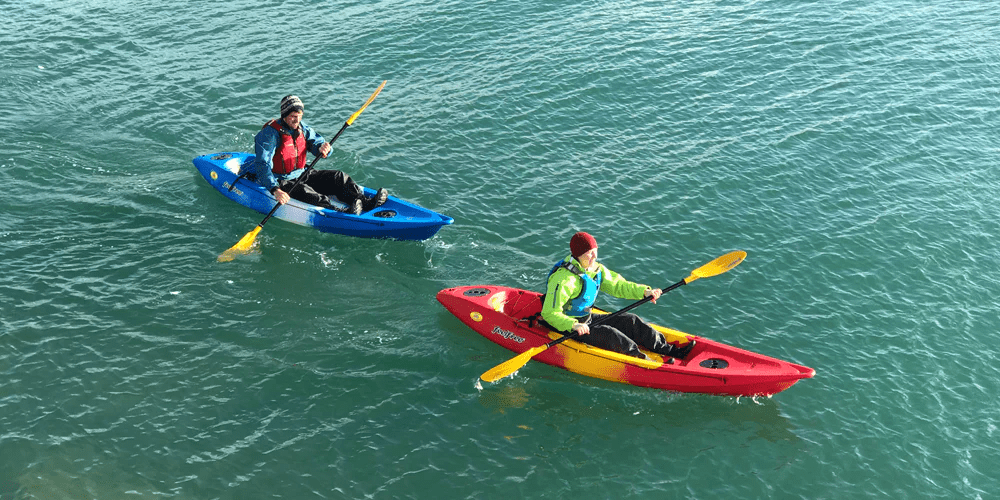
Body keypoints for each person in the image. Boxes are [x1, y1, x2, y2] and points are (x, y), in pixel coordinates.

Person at [540, 232, 695, 360]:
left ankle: (670, 350)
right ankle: (646, 363)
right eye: (589, 254)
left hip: (586, 319)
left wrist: (644, 292)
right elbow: (549, 313)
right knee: (612, 336)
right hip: (568, 326)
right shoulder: (564, 280)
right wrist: (573, 325)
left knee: (631, 320)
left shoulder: (595, 269)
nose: (594, 257)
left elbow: (618, 286)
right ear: (579, 255)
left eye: (595, 251)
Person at [240, 95, 387, 215]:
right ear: (284, 115)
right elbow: (262, 164)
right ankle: (340, 212)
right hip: (281, 180)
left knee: (339, 177)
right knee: (308, 193)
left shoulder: (303, 128)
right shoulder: (269, 134)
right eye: (292, 116)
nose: (297, 120)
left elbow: (317, 144)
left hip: (303, 173)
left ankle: (364, 201)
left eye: (299, 115)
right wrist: (274, 190)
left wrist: (324, 149)